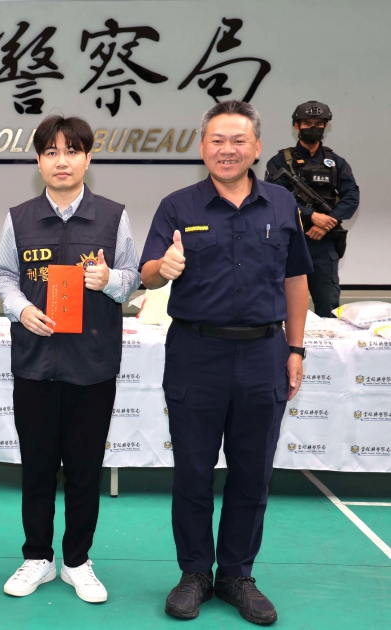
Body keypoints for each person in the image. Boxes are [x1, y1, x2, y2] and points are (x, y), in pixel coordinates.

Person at [139, 100, 311, 625]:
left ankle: (237, 574)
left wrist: (296, 348)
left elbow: (296, 279)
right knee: (192, 470)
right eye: (217, 140)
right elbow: (147, 273)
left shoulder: (282, 203)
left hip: (264, 353)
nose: (227, 149)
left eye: (238, 140)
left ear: (256, 147)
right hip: (196, 353)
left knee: (252, 473)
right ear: (202, 147)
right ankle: (195, 573)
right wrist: (164, 267)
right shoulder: (177, 206)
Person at [0, 115, 141, 604]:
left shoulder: (113, 216)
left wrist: (109, 281)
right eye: (51, 152)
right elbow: (4, 275)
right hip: (34, 364)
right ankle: (38, 557)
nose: (62, 161)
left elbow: (133, 277)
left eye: (72, 151)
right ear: (38, 161)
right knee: (36, 469)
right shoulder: (19, 217)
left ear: (88, 159)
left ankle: (77, 560)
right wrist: (21, 308)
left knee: (83, 470)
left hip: (91, 366)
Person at [264, 101, 360, 317]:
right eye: (307, 123)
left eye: (318, 123)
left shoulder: (336, 162)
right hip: (288, 240)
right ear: (296, 126)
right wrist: (311, 216)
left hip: (323, 243)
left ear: (326, 125)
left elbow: (352, 197)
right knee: (281, 305)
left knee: (328, 307)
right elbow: (274, 201)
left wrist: (327, 223)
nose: (313, 128)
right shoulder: (279, 162)